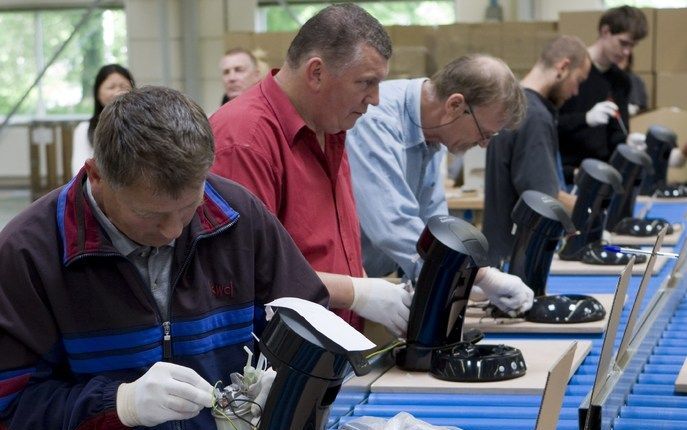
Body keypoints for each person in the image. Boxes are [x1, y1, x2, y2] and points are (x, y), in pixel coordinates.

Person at [0, 86, 328, 429]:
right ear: (97, 175)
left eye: (189, 207)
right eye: (150, 215)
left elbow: (312, 320)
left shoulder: (238, 216)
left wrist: (288, 385)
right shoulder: (29, 255)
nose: (173, 231)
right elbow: (11, 407)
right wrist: (118, 403)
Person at [210, 4, 413, 336]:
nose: (375, 99)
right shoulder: (245, 139)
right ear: (316, 73)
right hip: (279, 362)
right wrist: (357, 293)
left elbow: (333, 245)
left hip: (334, 349)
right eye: (365, 83)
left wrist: (368, 290)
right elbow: (246, 274)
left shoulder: (331, 126)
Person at [345, 53, 533, 316]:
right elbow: (392, 224)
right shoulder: (376, 120)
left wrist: (460, 277)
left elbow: (435, 223)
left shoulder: (435, 131)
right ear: (455, 105)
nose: (484, 144)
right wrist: (479, 276)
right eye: (484, 133)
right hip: (340, 291)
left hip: (374, 276)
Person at [483, 36, 591, 267]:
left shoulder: (517, 106)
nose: (575, 92)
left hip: (502, 255)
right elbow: (544, 197)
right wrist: (591, 211)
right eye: (578, 80)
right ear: (563, 67)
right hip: (517, 261)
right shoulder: (534, 117)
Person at [558, 6, 648, 185]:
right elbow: (550, 124)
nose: (627, 52)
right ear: (605, 31)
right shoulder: (570, 70)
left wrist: (627, 140)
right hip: (566, 176)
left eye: (632, 46)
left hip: (601, 177)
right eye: (623, 43)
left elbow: (615, 134)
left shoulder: (621, 81)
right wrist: (586, 118)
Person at [71, 64, 135, 176]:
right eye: (111, 87)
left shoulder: (144, 126)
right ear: (98, 93)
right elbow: (80, 173)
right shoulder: (84, 129)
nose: (118, 92)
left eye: (124, 87)